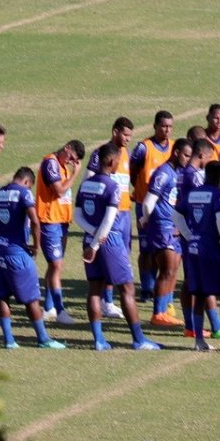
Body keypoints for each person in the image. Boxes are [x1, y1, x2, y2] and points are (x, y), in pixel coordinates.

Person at [75, 145, 162, 351]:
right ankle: (139, 339)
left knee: (94, 290)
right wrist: (97, 244)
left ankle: (98, 340)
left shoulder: (85, 184)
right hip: (108, 241)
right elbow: (108, 221)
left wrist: (92, 237)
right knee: (127, 288)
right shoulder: (112, 186)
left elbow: (77, 217)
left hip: (89, 239)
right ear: (112, 162)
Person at [0, 167, 66, 349]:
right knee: (31, 298)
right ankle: (43, 339)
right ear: (27, 182)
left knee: (2, 296)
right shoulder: (24, 193)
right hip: (17, 253)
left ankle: (9, 340)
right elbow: (35, 220)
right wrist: (36, 246)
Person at [178, 161, 220, 352]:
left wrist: (189, 235)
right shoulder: (218, 194)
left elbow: (176, 214)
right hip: (212, 249)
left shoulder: (192, 193)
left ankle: (199, 341)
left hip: (194, 248)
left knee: (199, 293)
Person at [86, 117, 136, 318]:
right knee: (107, 257)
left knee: (122, 256)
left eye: (130, 136)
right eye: (125, 134)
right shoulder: (100, 154)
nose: (127, 139)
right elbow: (88, 180)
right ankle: (107, 301)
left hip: (124, 214)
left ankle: (109, 301)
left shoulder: (126, 154)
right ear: (115, 131)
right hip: (109, 214)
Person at [139, 137, 190, 327]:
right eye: (185, 155)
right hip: (163, 227)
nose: (187, 159)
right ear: (176, 152)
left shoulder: (178, 173)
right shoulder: (163, 173)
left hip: (174, 227)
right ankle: (157, 313)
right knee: (167, 269)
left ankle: (166, 308)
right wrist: (147, 219)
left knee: (174, 268)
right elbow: (148, 201)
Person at [177, 138, 220, 340]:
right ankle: (217, 328)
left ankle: (191, 327)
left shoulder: (183, 174)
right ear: (202, 155)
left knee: (191, 281)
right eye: (210, 157)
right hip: (198, 234)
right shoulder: (195, 177)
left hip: (190, 234)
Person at [35, 139, 85, 325]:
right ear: (66, 149)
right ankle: (59, 310)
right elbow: (59, 191)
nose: (71, 162)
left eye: (75, 161)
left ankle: (49, 308)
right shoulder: (51, 163)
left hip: (61, 222)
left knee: (55, 266)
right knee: (56, 266)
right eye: (71, 157)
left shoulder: (62, 166)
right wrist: (75, 174)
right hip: (50, 221)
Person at [131, 110, 174, 305]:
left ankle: (161, 288)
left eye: (170, 126)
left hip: (166, 208)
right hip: (144, 204)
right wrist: (140, 190)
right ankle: (147, 288)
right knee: (146, 248)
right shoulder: (144, 147)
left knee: (164, 249)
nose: (167, 130)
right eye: (163, 126)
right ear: (155, 126)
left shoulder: (174, 148)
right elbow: (132, 171)